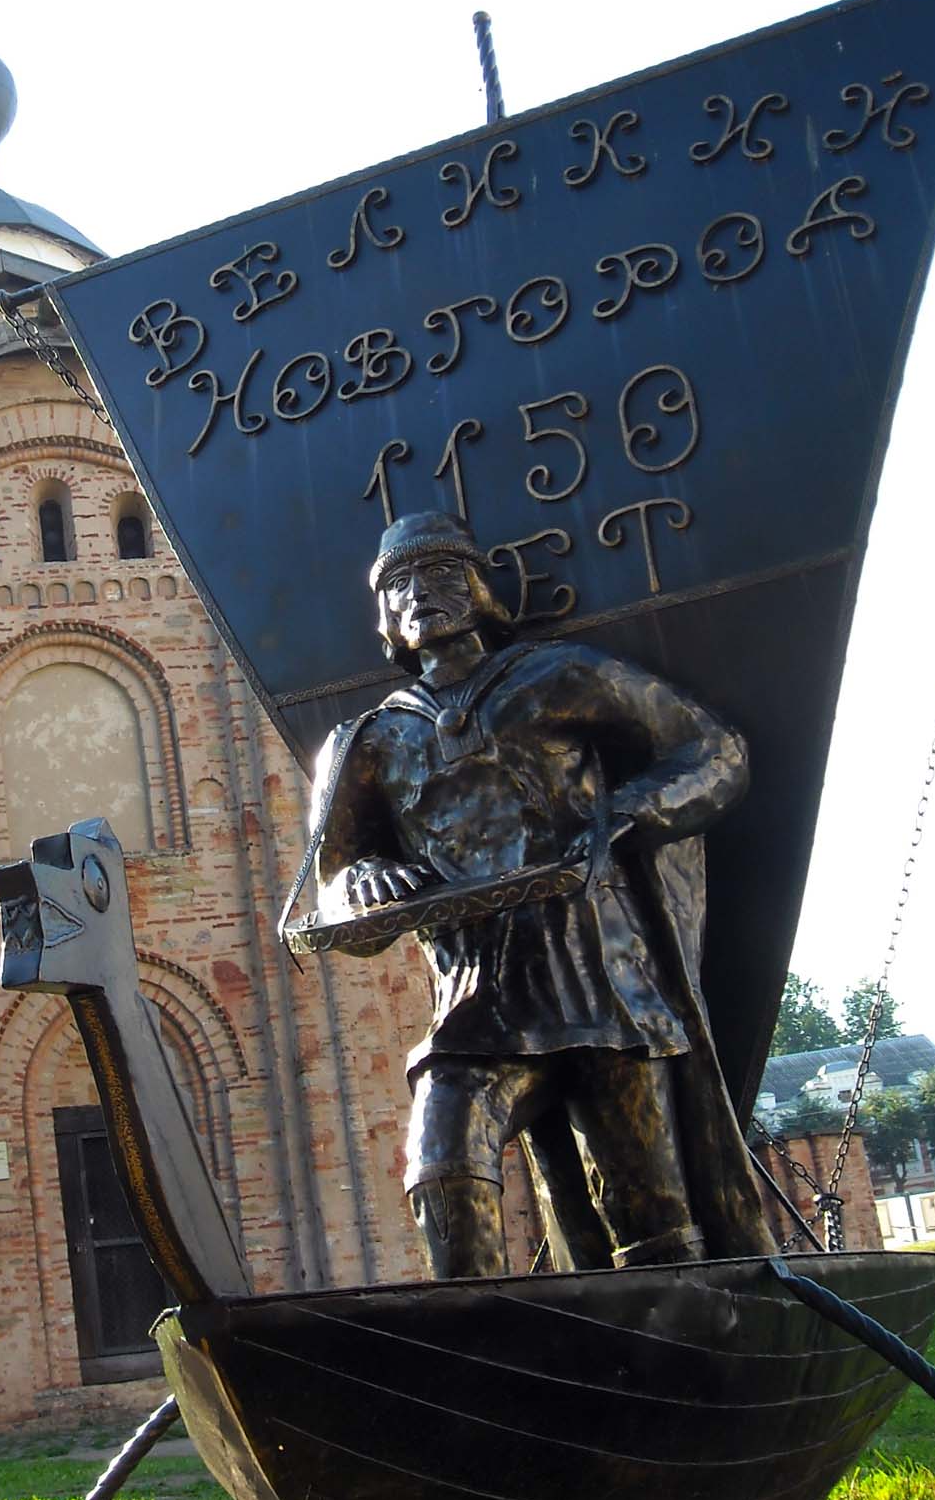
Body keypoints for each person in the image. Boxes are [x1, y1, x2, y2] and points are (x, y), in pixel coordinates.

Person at [299, 509, 775, 1277]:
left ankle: (685, 1366)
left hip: (601, 983)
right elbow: (335, 899)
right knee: (441, 1167)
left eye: (443, 573)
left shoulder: (558, 675)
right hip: (475, 1007)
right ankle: (489, 1354)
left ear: (482, 590)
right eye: (401, 584)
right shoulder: (366, 742)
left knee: (652, 1225)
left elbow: (715, 750)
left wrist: (630, 809)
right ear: (385, 615)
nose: (423, 593)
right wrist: (360, 882)